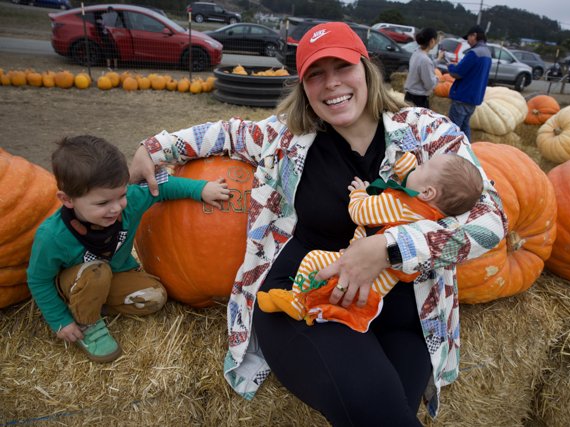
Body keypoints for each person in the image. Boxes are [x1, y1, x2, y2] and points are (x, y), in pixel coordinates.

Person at [129, 21, 506, 425]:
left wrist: (387, 248)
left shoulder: (428, 132)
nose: (331, 84)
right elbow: (227, 133)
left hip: (402, 315)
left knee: (385, 411)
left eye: (342, 68)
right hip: (305, 299)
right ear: (303, 86)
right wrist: (152, 147)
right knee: (379, 410)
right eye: (315, 74)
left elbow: (490, 222)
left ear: (366, 69)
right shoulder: (287, 139)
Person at [26, 135, 231, 363]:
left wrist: (201, 189)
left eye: (121, 195)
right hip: (78, 281)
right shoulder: (52, 236)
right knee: (96, 272)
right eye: (103, 203)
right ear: (67, 200)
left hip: (113, 276)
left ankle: (98, 303)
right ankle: (88, 323)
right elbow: (38, 280)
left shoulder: (130, 203)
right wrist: (60, 320)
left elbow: (162, 188)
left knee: (155, 297)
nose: (116, 208)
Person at [257, 151, 483, 333]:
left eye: (423, 166)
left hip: (364, 272)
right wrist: (407, 165)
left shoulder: (399, 206)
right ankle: (321, 307)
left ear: (427, 192)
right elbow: (411, 180)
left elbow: (361, 214)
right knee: (334, 286)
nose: (418, 165)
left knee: (314, 260)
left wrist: (360, 194)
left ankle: (297, 303)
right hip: (384, 283)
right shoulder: (430, 215)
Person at [447, 25, 492, 141]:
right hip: (474, 98)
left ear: (474, 36)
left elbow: (457, 73)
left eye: (468, 37)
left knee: (454, 129)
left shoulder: (474, 53)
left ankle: (452, 154)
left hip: (463, 96)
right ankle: (467, 151)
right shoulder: (487, 53)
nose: (467, 41)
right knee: (465, 126)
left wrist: (450, 66)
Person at [404, 27, 443, 109]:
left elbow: (426, 65)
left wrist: (438, 59)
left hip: (409, 96)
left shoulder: (416, 53)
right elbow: (429, 85)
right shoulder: (425, 60)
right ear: (432, 41)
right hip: (419, 99)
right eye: (436, 41)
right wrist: (437, 78)